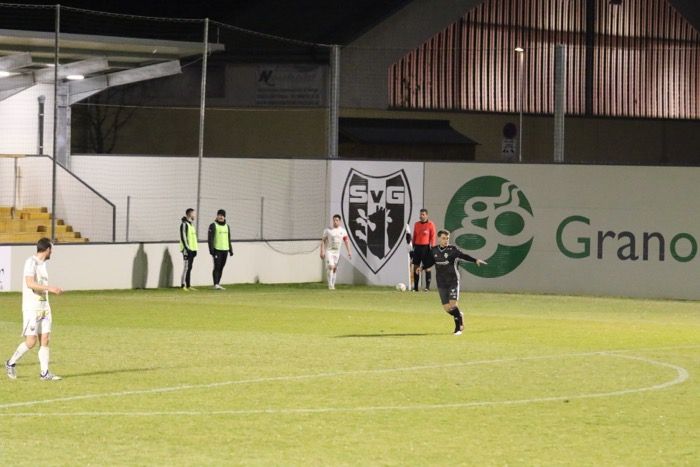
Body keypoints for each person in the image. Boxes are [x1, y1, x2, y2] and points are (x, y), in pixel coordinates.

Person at [5, 237, 64, 380]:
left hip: (44, 307)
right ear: (47, 249)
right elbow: (30, 283)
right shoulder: (30, 262)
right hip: (32, 308)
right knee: (31, 342)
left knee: (45, 339)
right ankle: (11, 363)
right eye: (51, 250)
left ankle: (44, 373)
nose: (52, 252)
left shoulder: (43, 265)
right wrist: (50, 288)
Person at [416, 230, 487, 335]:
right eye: (444, 238)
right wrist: (422, 267)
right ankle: (459, 315)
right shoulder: (434, 250)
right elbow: (430, 262)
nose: (446, 240)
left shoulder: (452, 250)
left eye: (447, 238)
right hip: (441, 282)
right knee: (447, 308)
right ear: (439, 239)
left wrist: (475, 260)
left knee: (453, 305)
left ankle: (458, 329)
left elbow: (463, 256)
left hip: (453, 280)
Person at [320, 214, 352, 290]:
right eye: (334, 220)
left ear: (340, 221)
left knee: (334, 269)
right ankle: (330, 285)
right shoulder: (328, 230)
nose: (335, 222)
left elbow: (346, 241)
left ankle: (333, 285)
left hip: (337, 253)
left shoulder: (343, 231)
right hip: (329, 251)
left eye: (337, 220)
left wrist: (349, 251)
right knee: (331, 266)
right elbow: (323, 241)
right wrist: (322, 251)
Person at [411, 208, 436, 291]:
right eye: (420, 214)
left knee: (427, 267)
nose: (421, 216)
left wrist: (432, 247)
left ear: (426, 215)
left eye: (423, 214)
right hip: (417, 247)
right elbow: (414, 235)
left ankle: (427, 288)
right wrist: (412, 247)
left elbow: (433, 236)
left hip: (426, 248)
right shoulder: (416, 224)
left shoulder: (430, 224)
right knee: (415, 267)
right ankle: (416, 288)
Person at [208, 209, 233, 290]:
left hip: (225, 250)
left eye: (222, 215)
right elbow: (210, 239)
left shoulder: (227, 226)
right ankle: (215, 284)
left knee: (221, 267)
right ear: (217, 216)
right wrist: (211, 250)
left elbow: (228, 238)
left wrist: (230, 249)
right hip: (217, 250)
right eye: (219, 215)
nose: (221, 217)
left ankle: (218, 283)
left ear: (224, 217)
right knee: (217, 267)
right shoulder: (213, 225)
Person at [180, 208, 198, 290]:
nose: (195, 215)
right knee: (186, 267)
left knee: (190, 267)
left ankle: (188, 285)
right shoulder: (184, 224)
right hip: (187, 250)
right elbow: (183, 237)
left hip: (192, 250)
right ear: (190, 214)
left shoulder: (191, 225)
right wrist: (187, 248)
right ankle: (183, 285)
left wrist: (195, 249)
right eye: (194, 214)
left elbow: (193, 239)